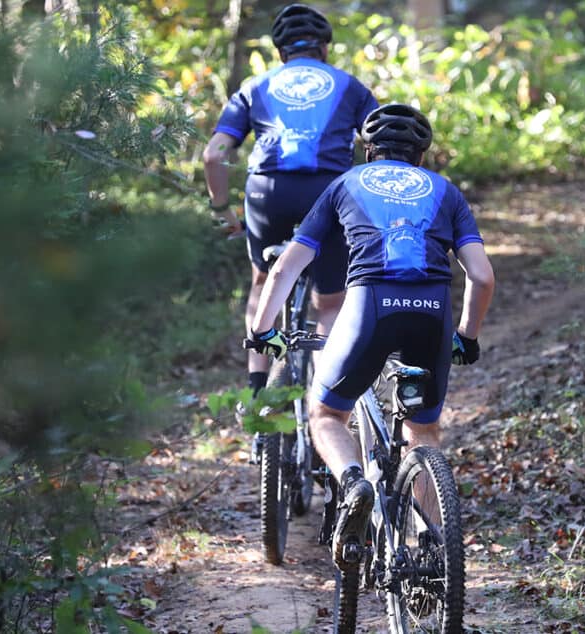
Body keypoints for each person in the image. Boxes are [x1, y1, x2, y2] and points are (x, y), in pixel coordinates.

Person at [245, 104, 495, 570]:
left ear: (367, 149)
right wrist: (468, 337)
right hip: (434, 310)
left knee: (325, 416)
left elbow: (286, 266)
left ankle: (353, 480)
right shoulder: (447, 192)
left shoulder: (344, 185)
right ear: (422, 154)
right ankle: (429, 552)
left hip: (369, 307)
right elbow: (481, 277)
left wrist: (262, 330)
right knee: (423, 431)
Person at [203, 4, 378, 396]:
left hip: (269, 193)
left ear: (280, 53)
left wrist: (221, 209)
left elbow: (214, 155)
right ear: (325, 49)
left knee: (263, 280)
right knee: (330, 304)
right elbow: (383, 141)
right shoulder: (349, 86)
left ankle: (257, 385)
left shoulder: (253, 87)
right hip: (331, 193)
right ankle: (326, 398)